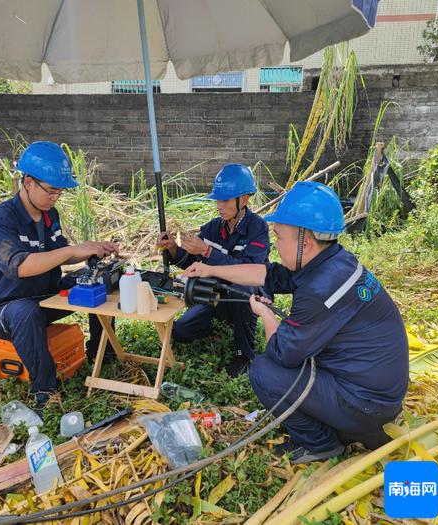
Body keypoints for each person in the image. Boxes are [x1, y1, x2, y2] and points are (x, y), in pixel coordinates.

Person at [183, 181, 409, 463]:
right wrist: (210, 268)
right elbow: (267, 274)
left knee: (265, 371)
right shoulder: (332, 261)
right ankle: (336, 424)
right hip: (372, 387)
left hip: (366, 405)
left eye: (279, 237)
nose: (275, 246)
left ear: (305, 241)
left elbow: (283, 353)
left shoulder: (321, 289)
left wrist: (265, 314)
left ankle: (320, 443)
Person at [0, 141, 118, 407]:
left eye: (59, 192)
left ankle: (103, 355)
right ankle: (45, 391)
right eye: (51, 190)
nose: (55, 197)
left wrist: (92, 250)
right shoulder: (2, 219)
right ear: (28, 182)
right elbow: (20, 267)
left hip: (47, 294)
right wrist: (70, 252)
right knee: (25, 313)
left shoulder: (48, 214)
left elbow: (60, 251)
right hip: (9, 308)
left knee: (98, 279)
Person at [156, 164, 270, 377]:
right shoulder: (212, 228)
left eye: (225, 200)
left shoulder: (257, 228)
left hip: (250, 295)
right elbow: (192, 264)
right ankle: (223, 322)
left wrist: (208, 251)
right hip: (217, 293)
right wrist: (172, 248)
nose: (219, 205)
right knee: (180, 331)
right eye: (217, 200)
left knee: (242, 286)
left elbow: (250, 270)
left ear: (244, 199)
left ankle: (244, 355)